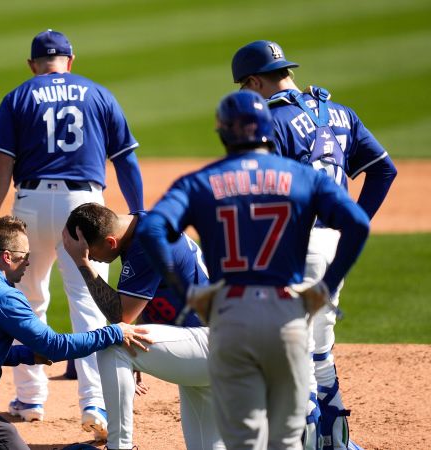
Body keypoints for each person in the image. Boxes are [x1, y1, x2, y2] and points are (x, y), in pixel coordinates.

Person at [135, 90, 371, 450]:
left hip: (230, 317)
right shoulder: (303, 177)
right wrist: (324, 287)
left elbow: (152, 229)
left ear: (223, 133)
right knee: (289, 440)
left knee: (243, 441)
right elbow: (357, 223)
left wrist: (188, 293)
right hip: (287, 315)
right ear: (267, 129)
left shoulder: (200, 182)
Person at [231, 40, 397, 450]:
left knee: (291, 352)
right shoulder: (339, 112)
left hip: (296, 247)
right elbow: (383, 171)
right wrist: (350, 225)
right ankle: (337, 442)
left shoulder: (269, 122)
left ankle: (302, 443)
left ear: (254, 81)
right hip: (334, 245)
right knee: (319, 346)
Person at [0, 28, 144, 440]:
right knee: (89, 302)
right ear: (70, 62)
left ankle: (31, 400)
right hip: (85, 207)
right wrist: (137, 213)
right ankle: (96, 403)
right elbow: (126, 160)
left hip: (33, 202)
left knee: (27, 297)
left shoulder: (19, 95)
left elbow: (1, 164)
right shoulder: (97, 93)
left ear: (32, 64)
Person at [0, 216, 153, 449]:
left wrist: (26, 355)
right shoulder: (4, 296)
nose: (28, 263)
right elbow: (53, 346)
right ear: (7, 257)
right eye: (25, 256)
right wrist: (113, 332)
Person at [62, 202, 224, 450]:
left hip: (211, 343)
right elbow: (153, 294)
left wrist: (83, 263)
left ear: (110, 242)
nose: (96, 260)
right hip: (211, 344)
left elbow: (120, 316)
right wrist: (143, 350)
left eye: (93, 254)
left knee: (113, 343)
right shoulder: (143, 226)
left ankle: (119, 446)